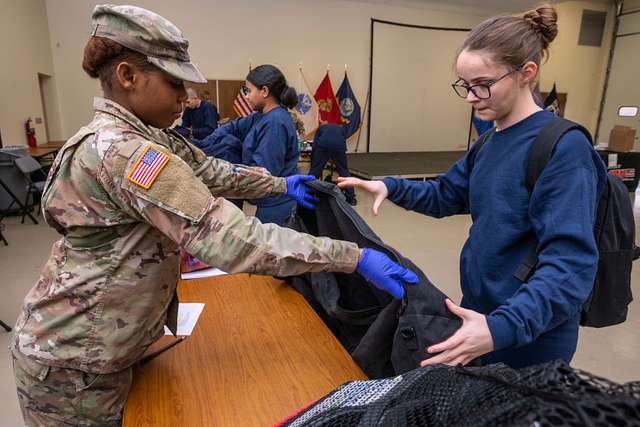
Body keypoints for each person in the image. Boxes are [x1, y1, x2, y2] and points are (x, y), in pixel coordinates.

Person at [9, 5, 419, 426]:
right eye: (174, 83)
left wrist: (280, 184)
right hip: (75, 362)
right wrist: (353, 257)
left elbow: (211, 170)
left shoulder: (147, 136)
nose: (187, 98)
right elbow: (232, 238)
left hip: (106, 344)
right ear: (129, 76)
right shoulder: (125, 151)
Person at [339, 4, 608, 369]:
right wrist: (392, 187)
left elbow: (570, 267)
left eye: (482, 85)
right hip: (479, 318)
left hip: (528, 336)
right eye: (465, 85)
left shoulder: (563, 148)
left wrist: (500, 328)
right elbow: (446, 194)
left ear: (526, 73)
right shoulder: (489, 141)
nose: (470, 97)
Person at [195, 65, 302, 226]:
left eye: (248, 91)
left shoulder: (275, 122)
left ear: (264, 91)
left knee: (269, 249)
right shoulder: (260, 116)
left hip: (277, 204)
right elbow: (232, 127)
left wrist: (229, 168)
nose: (246, 96)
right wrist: (203, 146)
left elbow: (264, 172)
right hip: (268, 200)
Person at [310, 120, 357, 205]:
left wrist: (314, 160)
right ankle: (351, 198)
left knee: (315, 170)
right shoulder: (340, 128)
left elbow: (315, 144)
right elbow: (342, 140)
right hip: (339, 147)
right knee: (344, 171)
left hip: (323, 145)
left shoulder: (321, 128)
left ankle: (308, 193)